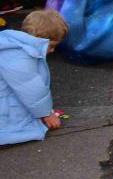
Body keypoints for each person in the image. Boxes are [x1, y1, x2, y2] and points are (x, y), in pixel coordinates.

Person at [0, 9, 67, 145]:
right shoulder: (19, 56)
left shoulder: (14, 46)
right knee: (15, 126)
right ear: (40, 40)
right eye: (51, 46)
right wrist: (46, 114)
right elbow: (31, 90)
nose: (52, 50)